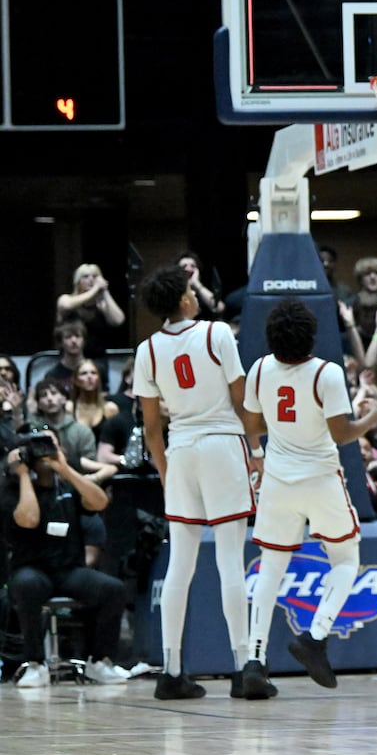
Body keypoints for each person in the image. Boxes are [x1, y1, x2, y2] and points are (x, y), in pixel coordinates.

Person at [237, 298, 377, 699]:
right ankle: (315, 638)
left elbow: (252, 422)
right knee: (346, 559)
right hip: (320, 479)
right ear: (312, 337)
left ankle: (253, 661)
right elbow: (341, 434)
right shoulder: (327, 373)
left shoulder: (261, 368)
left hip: (279, 480)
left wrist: (258, 455)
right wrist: (372, 419)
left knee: (271, 569)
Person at [133, 264, 256, 700]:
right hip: (222, 445)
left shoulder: (146, 350)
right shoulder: (218, 333)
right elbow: (242, 402)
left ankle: (171, 671)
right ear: (185, 299)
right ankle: (244, 668)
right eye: (190, 289)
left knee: (179, 568)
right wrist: (256, 452)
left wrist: (166, 472)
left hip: (181, 449)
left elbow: (151, 428)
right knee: (229, 563)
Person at [2, 426, 132, 688]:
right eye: (37, 447)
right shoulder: (11, 487)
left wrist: (65, 469)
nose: (45, 452)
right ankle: (35, 664)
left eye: (51, 445)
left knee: (113, 590)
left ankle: (99, 661)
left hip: (69, 570)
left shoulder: (68, 482)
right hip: (31, 568)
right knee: (26, 585)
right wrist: (25, 474)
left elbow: (99, 503)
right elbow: (29, 520)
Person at [55, 262, 128, 357]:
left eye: (95, 276)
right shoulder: (67, 299)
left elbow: (118, 320)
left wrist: (105, 291)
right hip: (71, 357)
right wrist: (95, 289)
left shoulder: (101, 305)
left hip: (97, 358)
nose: (91, 280)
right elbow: (65, 305)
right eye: (85, 276)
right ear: (77, 281)